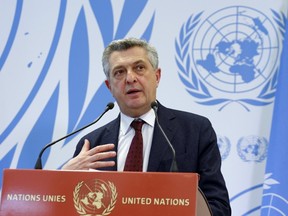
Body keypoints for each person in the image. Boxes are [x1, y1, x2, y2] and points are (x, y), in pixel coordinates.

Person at [62, 38, 231, 215]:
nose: (130, 78)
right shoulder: (92, 144)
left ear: (157, 76)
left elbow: (219, 206)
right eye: (119, 72)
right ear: (109, 86)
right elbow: (72, 208)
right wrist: (63, 180)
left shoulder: (195, 130)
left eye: (139, 68)